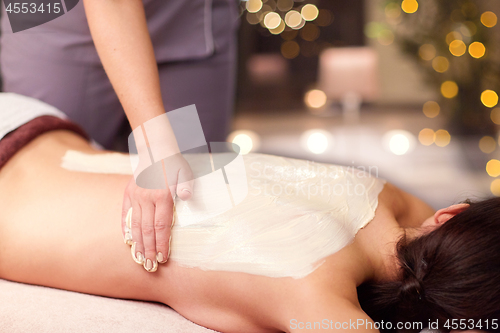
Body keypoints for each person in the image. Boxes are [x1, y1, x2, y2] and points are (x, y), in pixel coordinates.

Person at [1, 105, 499, 333]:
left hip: (35, 122)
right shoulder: (312, 297)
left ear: (449, 215)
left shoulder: (380, 195)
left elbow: (428, 232)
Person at [0, 0, 239, 271]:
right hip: (54, 19)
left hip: (188, 20)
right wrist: (155, 144)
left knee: (193, 210)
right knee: (44, 210)